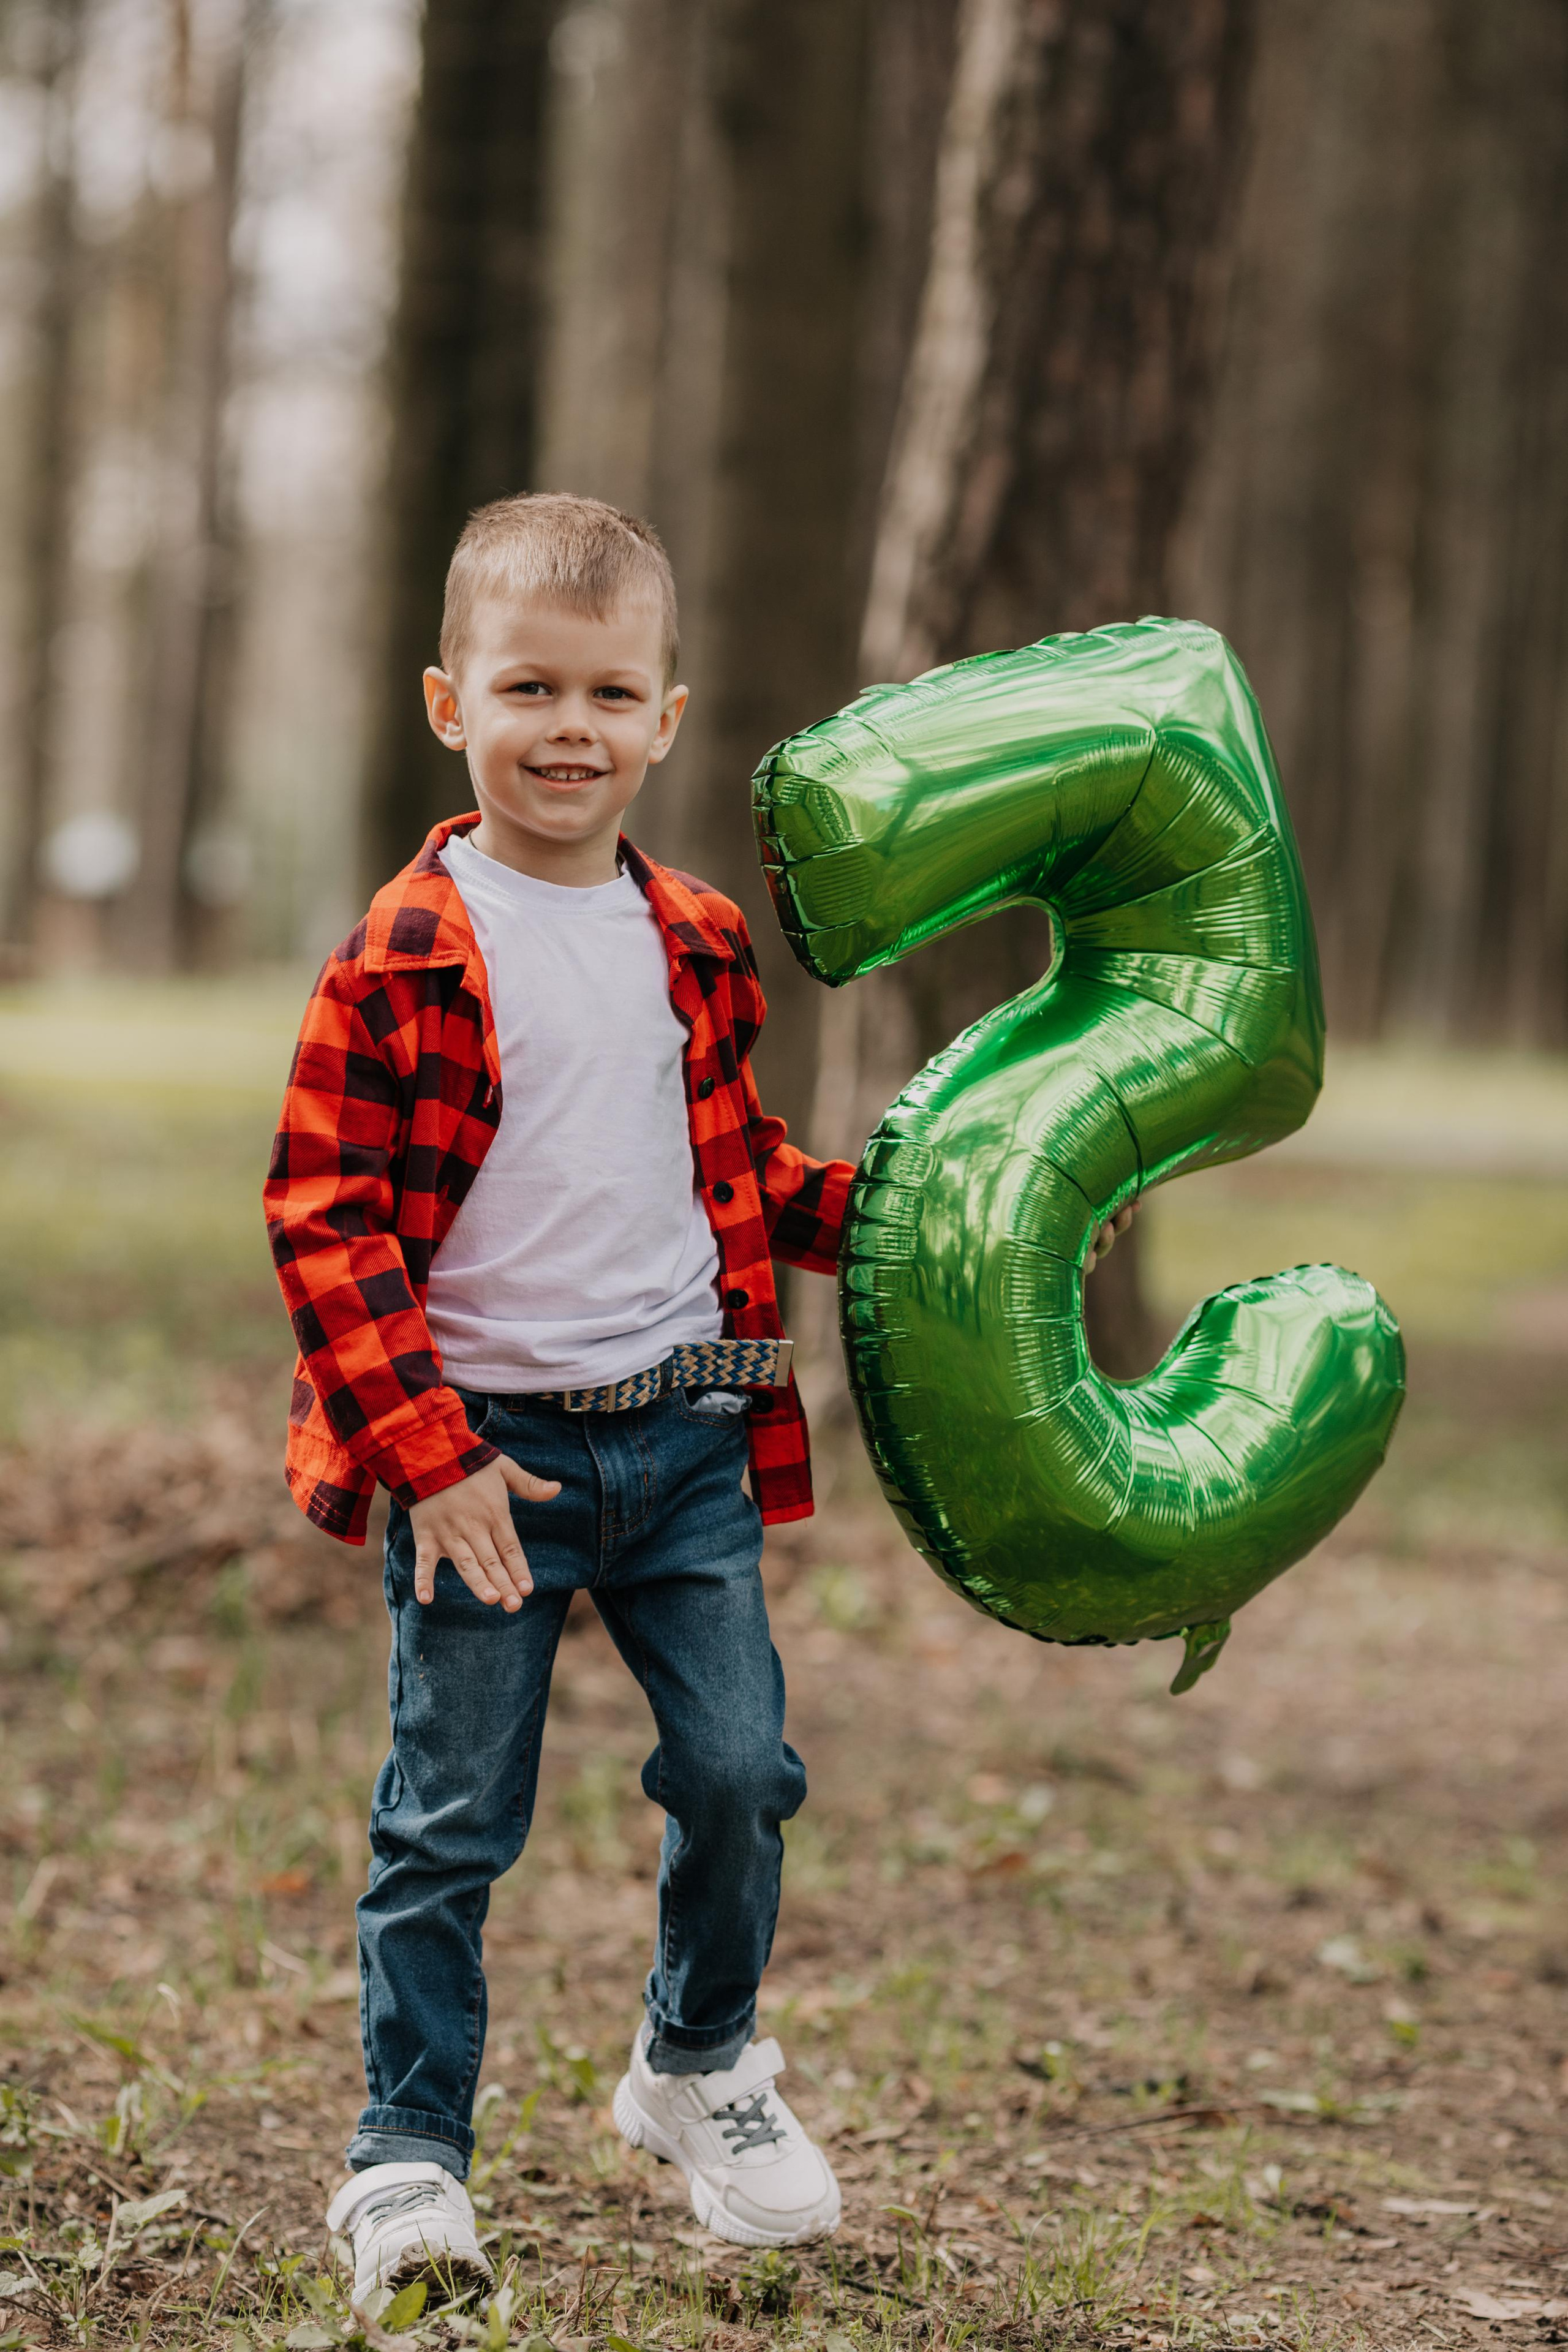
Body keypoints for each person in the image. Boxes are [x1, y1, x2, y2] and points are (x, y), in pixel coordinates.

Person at [264, 490, 1134, 2302]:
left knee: (741, 1772)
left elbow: (734, 1162)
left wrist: (926, 1214)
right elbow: (323, 1217)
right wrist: (428, 1460)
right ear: (451, 706)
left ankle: (697, 2059)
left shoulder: (699, 938)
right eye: (526, 689)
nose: (565, 729)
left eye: (606, 693)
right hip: (483, 1465)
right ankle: (406, 2166)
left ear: (666, 717)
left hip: (692, 1423)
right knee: (447, 1827)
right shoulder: (408, 955)